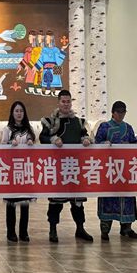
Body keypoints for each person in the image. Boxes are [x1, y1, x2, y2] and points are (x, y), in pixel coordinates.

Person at [40, 89, 93, 243]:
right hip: (58, 168)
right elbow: (43, 137)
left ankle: (80, 228)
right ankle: (53, 229)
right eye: (63, 101)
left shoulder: (78, 121)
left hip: (75, 167)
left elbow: (84, 134)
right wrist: (53, 140)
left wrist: (86, 139)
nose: (66, 104)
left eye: (68, 102)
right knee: (55, 202)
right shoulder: (50, 121)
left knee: (78, 202)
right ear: (58, 102)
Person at [95, 101, 137, 241]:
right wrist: (103, 144)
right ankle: (105, 230)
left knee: (127, 198)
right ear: (113, 113)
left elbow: (133, 142)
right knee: (108, 198)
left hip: (126, 170)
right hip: (109, 170)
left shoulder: (128, 128)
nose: (121, 115)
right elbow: (96, 143)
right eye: (118, 112)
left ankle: (126, 227)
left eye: (123, 112)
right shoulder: (104, 127)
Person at [1, 101, 35, 243]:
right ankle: (11, 232)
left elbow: (34, 146)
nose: (19, 113)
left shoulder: (29, 129)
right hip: (12, 170)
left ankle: (23, 232)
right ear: (12, 113)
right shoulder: (7, 129)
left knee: (25, 203)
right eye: (16, 111)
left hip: (25, 169)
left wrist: (31, 143)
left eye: (21, 111)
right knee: (11, 203)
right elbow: (2, 146)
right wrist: (10, 144)